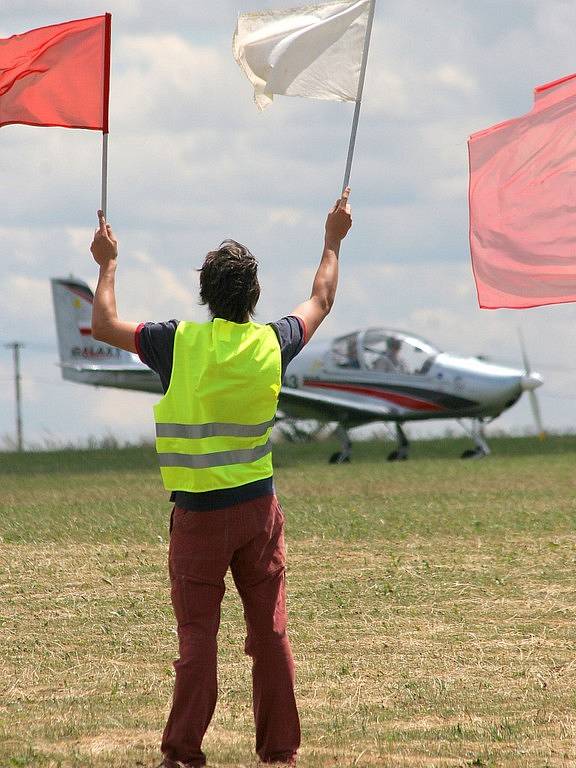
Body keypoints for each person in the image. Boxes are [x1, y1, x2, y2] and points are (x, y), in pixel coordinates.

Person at [89, 188, 352, 768]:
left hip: (197, 520)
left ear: (205, 294)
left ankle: (183, 753)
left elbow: (103, 323)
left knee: (197, 641)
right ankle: (279, 754)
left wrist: (107, 263)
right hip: (257, 513)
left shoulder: (177, 342)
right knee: (270, 636)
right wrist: (332, 238)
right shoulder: (272, 342)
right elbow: (322, 298)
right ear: (254, 297)